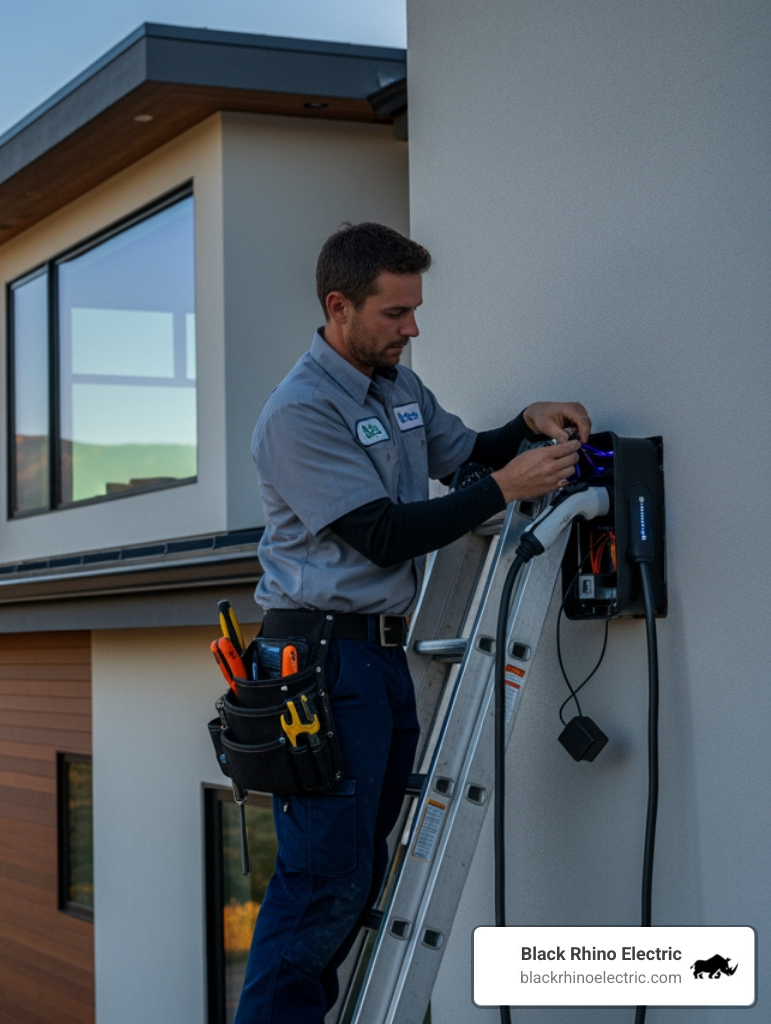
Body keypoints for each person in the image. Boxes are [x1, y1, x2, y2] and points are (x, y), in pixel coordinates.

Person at [234, 222, 590, 1024]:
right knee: (323, 878)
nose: (413, 328)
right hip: (318, 666)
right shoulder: (298, 413)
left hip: (378, 663)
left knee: (357, 872)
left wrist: (524, 426)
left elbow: (463, 457)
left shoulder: (398, 389)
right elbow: (385, 532)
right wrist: (505, 486)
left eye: (414, 310)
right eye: (396, 313)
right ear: (339, 306)